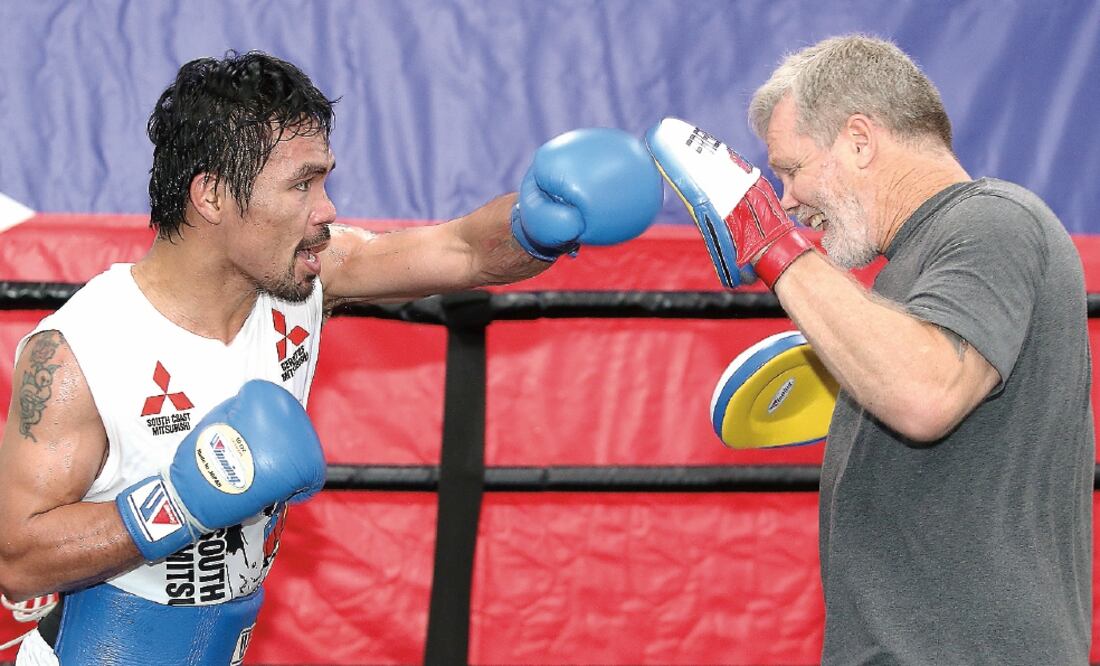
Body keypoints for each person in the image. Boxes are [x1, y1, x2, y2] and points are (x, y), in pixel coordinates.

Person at [0, 50, 662, 665]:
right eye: (302, 185)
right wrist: (184, 499)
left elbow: (462, 250)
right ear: (212, 197)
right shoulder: (79, 353)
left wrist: (535, 223)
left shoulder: (306, 281)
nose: (327, 209)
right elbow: (17, 559)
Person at [646, 34, 1093, 664]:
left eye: (791, 170)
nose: (788, 199)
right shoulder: (907, 272)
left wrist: (768, 240)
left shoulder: (994, 220)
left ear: (860, 138)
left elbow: (925, 393)